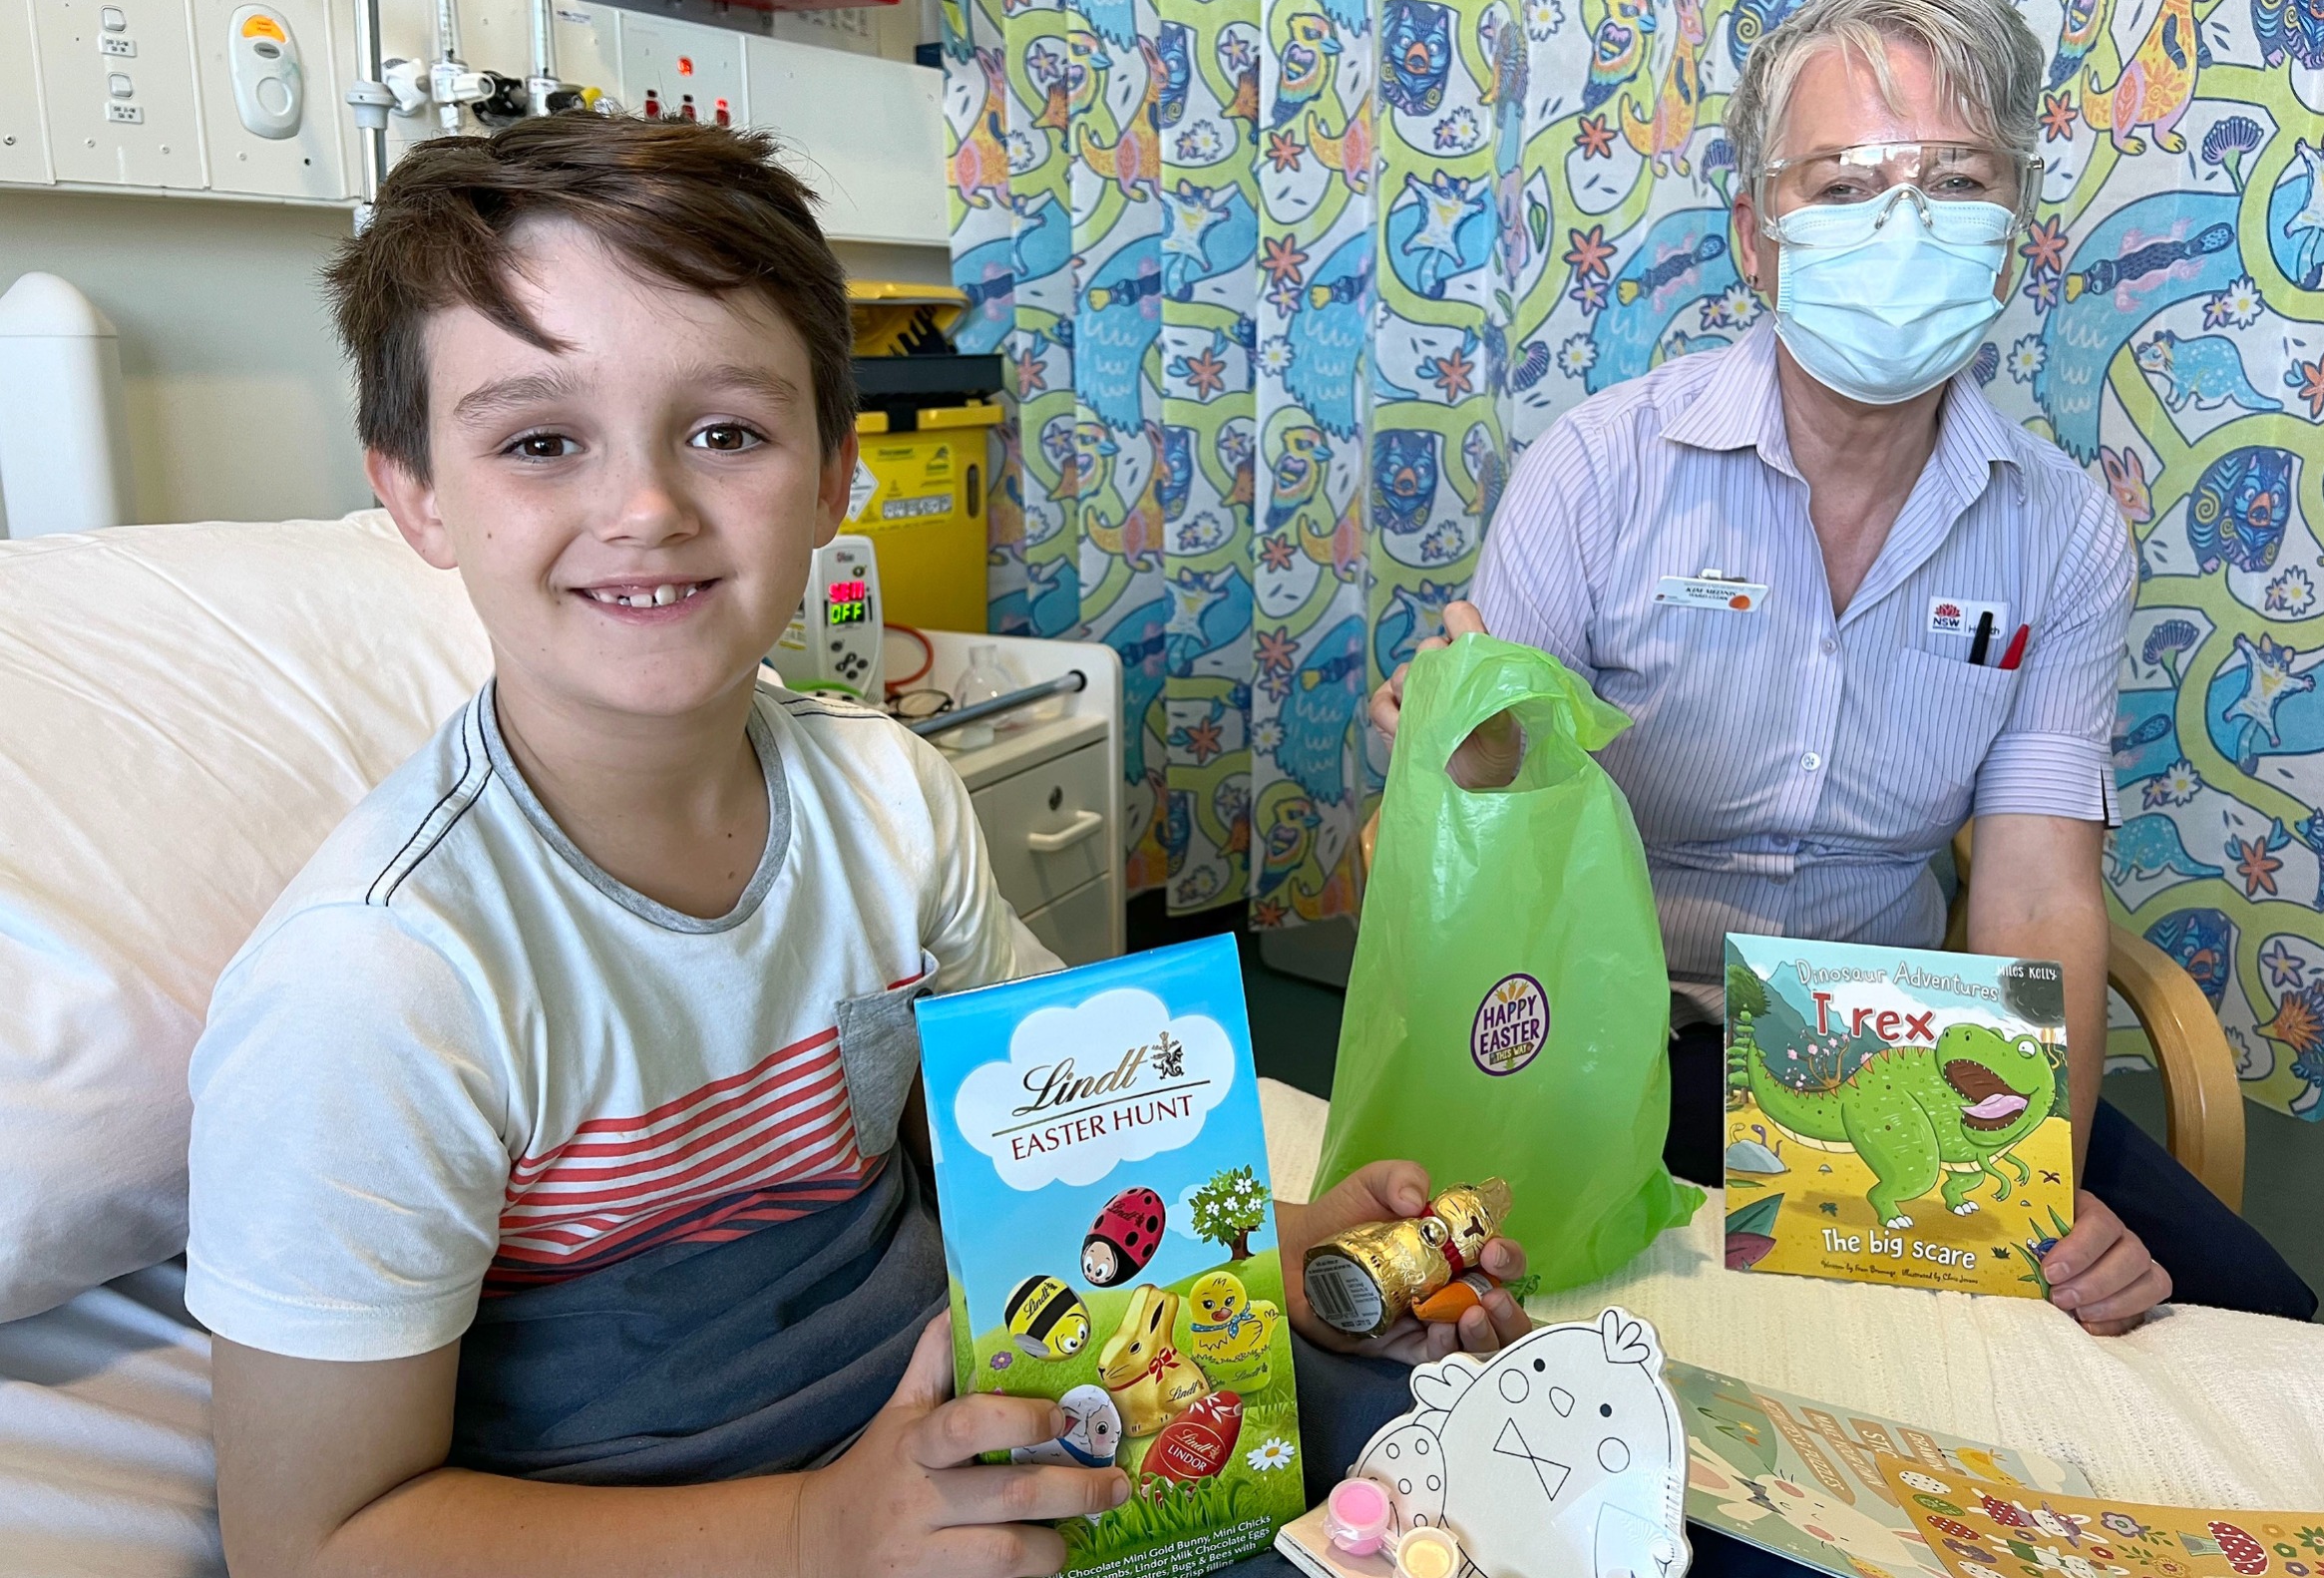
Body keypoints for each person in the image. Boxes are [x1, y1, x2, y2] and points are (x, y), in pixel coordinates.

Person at [187, 116, 1530, 1578]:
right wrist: (824, 1532)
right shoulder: (381, 981)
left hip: (979, 1427)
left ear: (834, 475)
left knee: (1475, 1449)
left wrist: (1291, 1252)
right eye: (540, 441)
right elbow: (308, 1540)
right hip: (686, 1534)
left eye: (725, 432)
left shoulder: (885, 799)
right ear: (416, 492)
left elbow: (1012, 1160)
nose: (645, 507)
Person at [1370, 0, 2315, 1334]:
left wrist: (2030, 1175)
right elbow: (1487, 836)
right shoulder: (1593, 475)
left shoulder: (2060, 534)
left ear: (2007, 242)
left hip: (1897, 1052)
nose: (1901, 221)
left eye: (1954, 180)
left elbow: (2041, 890)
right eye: (1846, 181)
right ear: (1758, 235)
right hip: (1614, 1040)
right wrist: (1466, 755)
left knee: (2248, 1328)